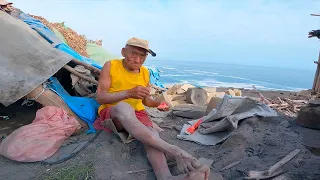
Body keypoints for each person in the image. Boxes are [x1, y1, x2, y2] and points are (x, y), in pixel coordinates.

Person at [96, 37, 210, 180]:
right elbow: (100, 97)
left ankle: (165, 176)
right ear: (123, 52)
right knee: (124, 107)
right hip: (114, 111)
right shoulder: (111, 66)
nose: (137, 60)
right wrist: (128, 93)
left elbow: (145, 101)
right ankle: (175, 151)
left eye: (142, 55)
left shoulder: (144, 73)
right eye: (133, 54)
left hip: (137, 114)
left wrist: (158, 104)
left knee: (152, 136)